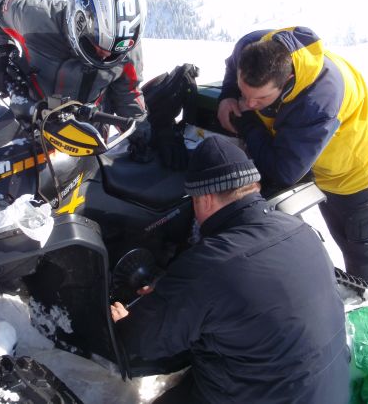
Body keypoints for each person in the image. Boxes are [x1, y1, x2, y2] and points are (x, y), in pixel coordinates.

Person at [111, 135, 350, 404]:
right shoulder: (301, 230)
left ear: (205, 199)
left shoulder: (208, 265)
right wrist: (176, 290)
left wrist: (126, 321)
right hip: (331, 391)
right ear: (253, 186)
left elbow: (139, 341)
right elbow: (245, 291)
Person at [216, 26, 368, 289]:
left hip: (350, 167)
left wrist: (247, 123)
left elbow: (284, 171)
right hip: (301, 150)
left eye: (260, 98)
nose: (248, 103)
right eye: (244, 92)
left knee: (358, 242)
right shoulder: (253, 47)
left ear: (288, 80)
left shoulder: (317, 102)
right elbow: (234, 65)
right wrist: (229, 93)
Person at [0, 0, 188, 169]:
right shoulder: (36, 18)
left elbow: (128, 94)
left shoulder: (126, 47)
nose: (106, 56)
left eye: (115, 52)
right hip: (28, 123)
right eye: (98, 46)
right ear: (78, 21)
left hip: (87, 140)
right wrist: (3, 55)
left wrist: (147, 136)